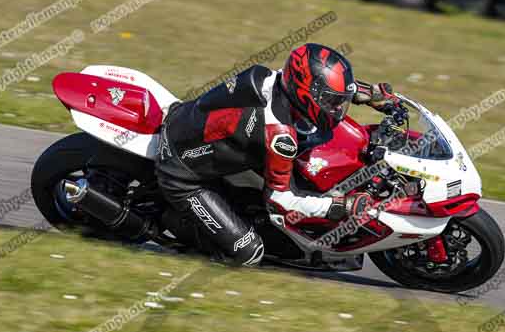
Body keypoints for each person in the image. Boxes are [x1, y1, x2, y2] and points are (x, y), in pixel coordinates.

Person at [155, 43, 398, 266]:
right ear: (306, 95)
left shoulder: (274, 79)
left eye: (339, 101)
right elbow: (281, 201)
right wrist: (341, 205)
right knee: (248, 252)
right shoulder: (280, 135)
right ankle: (186, 230)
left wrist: (367, 92)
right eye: (332, 101)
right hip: (182, 174)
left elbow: (313, 81)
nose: (336, 108)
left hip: (195, 126)